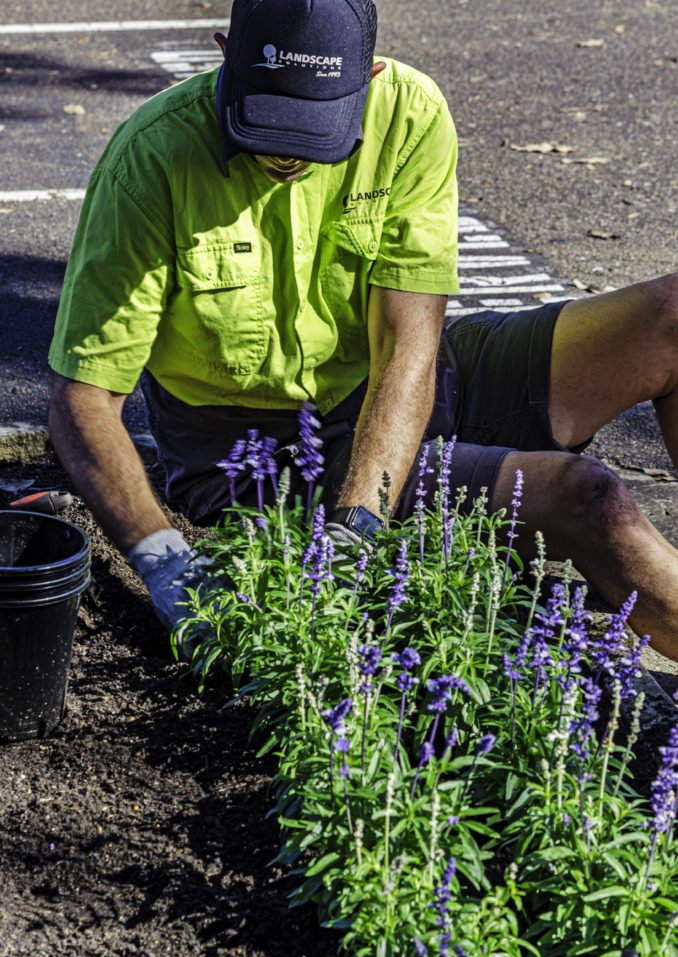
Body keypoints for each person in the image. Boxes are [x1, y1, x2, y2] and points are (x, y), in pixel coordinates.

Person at [48, 0, 678, 662]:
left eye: (314, 131)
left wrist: (358, 529)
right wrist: (165, 562)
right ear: (224, 50)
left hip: (403, 386)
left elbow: (410, 342)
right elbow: (82, 399)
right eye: (268, 124)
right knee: (586, 499)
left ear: (369, 76)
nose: (288, 155)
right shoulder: (152, 159)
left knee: (669, 318)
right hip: (261, 453)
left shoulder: (408, 112)